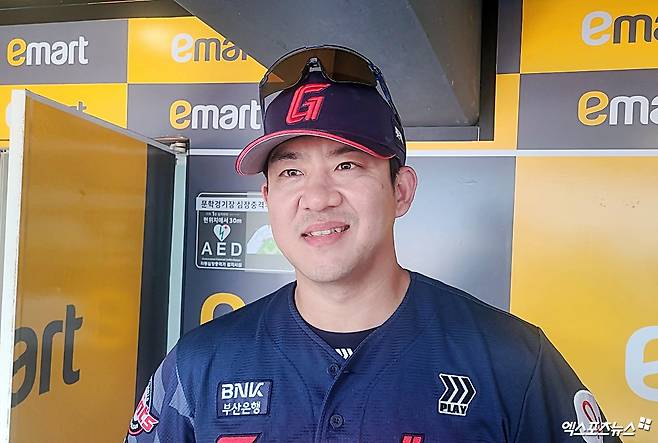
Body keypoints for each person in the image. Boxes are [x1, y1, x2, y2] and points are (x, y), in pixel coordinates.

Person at [125, 45, 620, 443]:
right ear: (269, 198)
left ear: (400, 191)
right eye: (292, 172)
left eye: (347, 165)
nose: (317, 197)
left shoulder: (513, 359)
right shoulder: (199, 363)